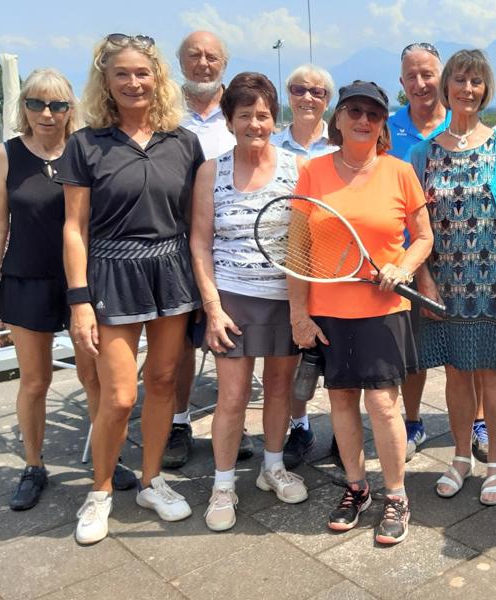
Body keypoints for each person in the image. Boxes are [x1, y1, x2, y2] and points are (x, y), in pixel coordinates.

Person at [59, 33, 203, 545]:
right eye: (121, 73)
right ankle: (99, 493)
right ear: (106, 81)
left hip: (170, 272)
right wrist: (78, 301)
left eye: (142, 73)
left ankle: (150, 481)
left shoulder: (183, 142)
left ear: (157, 78)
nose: (133, 82)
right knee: (118, 397)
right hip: (110, 275)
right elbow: (74, 227)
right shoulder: (85, 144)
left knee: (163, 382)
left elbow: (193, 223)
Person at [0, 69, 136, 511]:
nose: (47, 114)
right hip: (26, 279)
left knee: (94, 378)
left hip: (82, 282)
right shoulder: (4, 154)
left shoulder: (84, 150)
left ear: (71, 109)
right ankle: (33, 465)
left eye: (58, 105)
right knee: (35, 381)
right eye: (37, 104)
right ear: (23, 107)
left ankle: (108, 459)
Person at [291, 80, 433, 545]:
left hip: (383, 309)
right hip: (328, 310)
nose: (363, 120)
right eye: (353, 110)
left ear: (382, 123)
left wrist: (403, 267)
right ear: (338, 117)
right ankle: (357, 488)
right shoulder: (312, 172)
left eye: (373, 113)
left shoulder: (399, 172)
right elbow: (298, 249)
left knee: (383, 404)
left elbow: (423, 237)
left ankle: (396, 495)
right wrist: (299, 313)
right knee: (340, 402)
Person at [408, 49, 496, 506]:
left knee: (495, 374)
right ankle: (461, 457)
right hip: (444, 281)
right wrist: (423, 278)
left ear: (486, 90)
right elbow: (413, 223)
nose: (467, 89)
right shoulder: (423, 152)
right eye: (460, 80)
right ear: (446, 88)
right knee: (456, 372)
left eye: (476, 82)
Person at [190, 72, 309, 532]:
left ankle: (272, 467)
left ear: (274, 118)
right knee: (234, 395)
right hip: (232, 299)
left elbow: (305, 238)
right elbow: (199, 243)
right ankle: (223, 485)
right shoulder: (210, 171)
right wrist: (212, 306)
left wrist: (302, 307)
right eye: (245, 116)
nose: (255, 124)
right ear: (229, 119)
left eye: (263, 115)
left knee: (280, 390)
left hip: (284, 298)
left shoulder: (294, 169)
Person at [167, 30, 251, 469]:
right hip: (177, 244)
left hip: (231, 250)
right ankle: (178, 422)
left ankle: (230, 421)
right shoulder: (165, 112)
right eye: (194, 55)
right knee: (180, 343)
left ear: (224, 62)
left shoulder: (236, 112)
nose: (203, 63)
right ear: (180, 61)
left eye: (212, 56)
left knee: (230, 337)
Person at [386, 42, 455, 461]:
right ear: (401, 83)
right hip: (407, 259)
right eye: (411, 76)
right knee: (413, 354)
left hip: (464, 260)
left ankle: (478, 420)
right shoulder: (386, 128)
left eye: (428, 74)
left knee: (465, 350)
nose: (420, 83)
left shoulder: (462, 121)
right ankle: (412, 422)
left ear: (441, 76)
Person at [270, 63, 338, 470]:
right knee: (293, 360)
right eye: (299, 89)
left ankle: (342, 431)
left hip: (334, 271)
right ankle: (300, 426)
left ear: (328, 100)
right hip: (287, 269)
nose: (308, 98)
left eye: (317, 91)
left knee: (340, 359)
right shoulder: (273, 146)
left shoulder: (343, 143)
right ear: (288, 95)